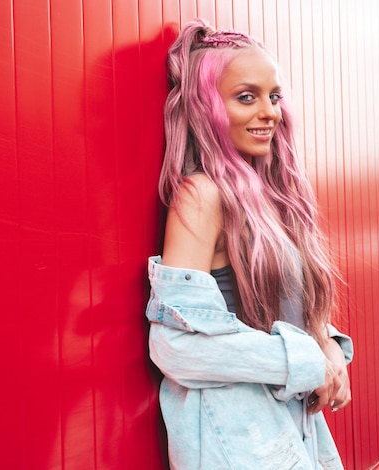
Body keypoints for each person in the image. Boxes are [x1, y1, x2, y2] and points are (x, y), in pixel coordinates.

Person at [145, 19, 353, 469]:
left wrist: (328, 344)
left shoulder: (271, 200)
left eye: (273, 96)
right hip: (237, 439)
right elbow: (176, 347)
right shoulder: (201, 196)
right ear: (206, 108)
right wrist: (308, 358)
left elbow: (284, 314)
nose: (270, 112)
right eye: (246, 97)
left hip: (286, 427)